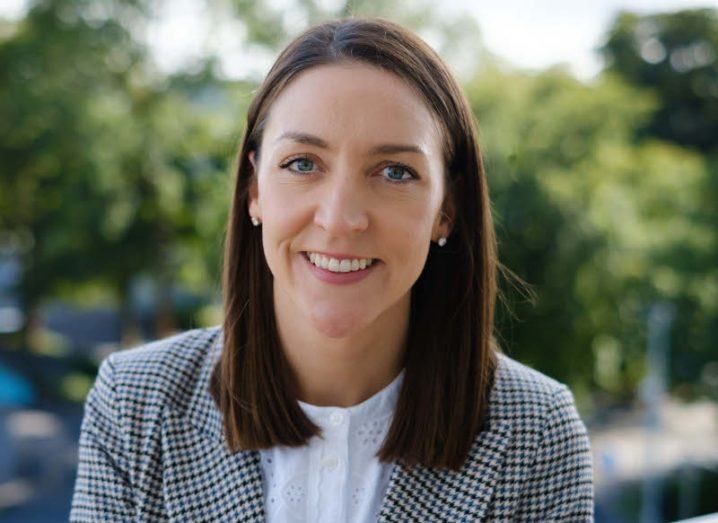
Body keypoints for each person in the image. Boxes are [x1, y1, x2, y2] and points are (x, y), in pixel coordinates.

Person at [70, 16, 594, 522]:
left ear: (446, 210)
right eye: (302, 163)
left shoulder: (537, 432)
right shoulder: (135, 402)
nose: (340, 219)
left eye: (394, 172)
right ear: (254, 190)